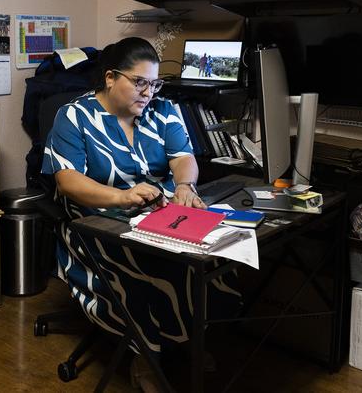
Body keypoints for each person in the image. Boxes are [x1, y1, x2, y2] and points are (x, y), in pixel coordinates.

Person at [42, 37, 240, 392]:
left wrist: (185, 187)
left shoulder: (164, 110)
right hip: (96, 222)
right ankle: (146, 356)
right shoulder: (75, 116)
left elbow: (183, 158)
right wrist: (121, 197)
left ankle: (186, 339)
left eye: (154, 83)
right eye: (140, 82)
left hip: (158, 213)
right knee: (143, 273)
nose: (148, 92)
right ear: (109, 78)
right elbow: (68, 180)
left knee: (206, 261)